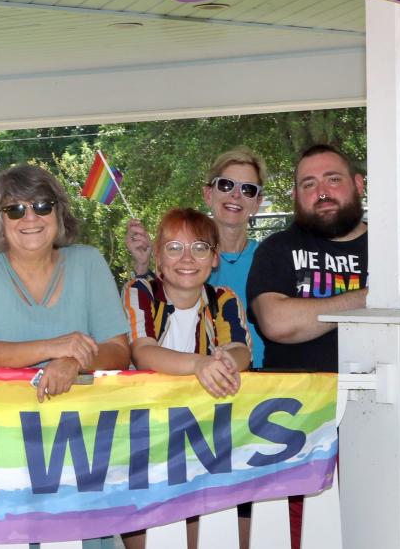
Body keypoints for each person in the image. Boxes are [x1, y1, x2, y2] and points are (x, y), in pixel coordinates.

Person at [249, 143, 367, 549]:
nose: (322, 191)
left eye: (333, 179)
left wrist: (312, 315)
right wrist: (368, 297)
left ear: (357, 184)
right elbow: (277, 322)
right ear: (296, 196)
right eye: (308, 183)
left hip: (379, 417)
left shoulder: (396, 249)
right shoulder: (276, 250)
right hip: (297, 429)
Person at [121, 208, 253, 549]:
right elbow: (143, 352)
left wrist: (227, 361)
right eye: (174, 248)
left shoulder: (223, 299)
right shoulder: (141, 292)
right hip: (144, 438)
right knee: (150, 533)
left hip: (206, 439)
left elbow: (241, 351)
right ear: (160, 258)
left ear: (214, 259)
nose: (187, 258)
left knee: (217, 529)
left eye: (199, 248)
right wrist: (199, 364)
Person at [0, 164, 131, 402]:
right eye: (15, 210)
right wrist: (54, 348)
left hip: (85, 421)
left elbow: (119, 351)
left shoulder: (89, 261)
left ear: (59, 213)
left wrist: (73, 362)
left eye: (42, 206)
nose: (30, 218)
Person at [126, 147, 269, 366]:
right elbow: (153, 306)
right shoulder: (180, 268)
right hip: (185, 378)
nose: (236, 194)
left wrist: (225, 363)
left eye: (248, 189)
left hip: (259, 380)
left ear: (258, 202)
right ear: (208, 194)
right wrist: (144, 268)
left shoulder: (271, 259)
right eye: (226, 184)